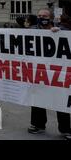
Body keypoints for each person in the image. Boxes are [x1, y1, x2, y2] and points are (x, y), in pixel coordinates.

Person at [28, 9, 71, 139]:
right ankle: (38, 125)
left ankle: (65, 129)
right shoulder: (33, 29)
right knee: (38, 98)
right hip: (39, 70)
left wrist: (59, 33)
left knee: (60, 98)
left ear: (51, 17)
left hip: (56, 70)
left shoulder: (61, 28)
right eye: (40, 16)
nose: (42, 18)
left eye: (45, 16)